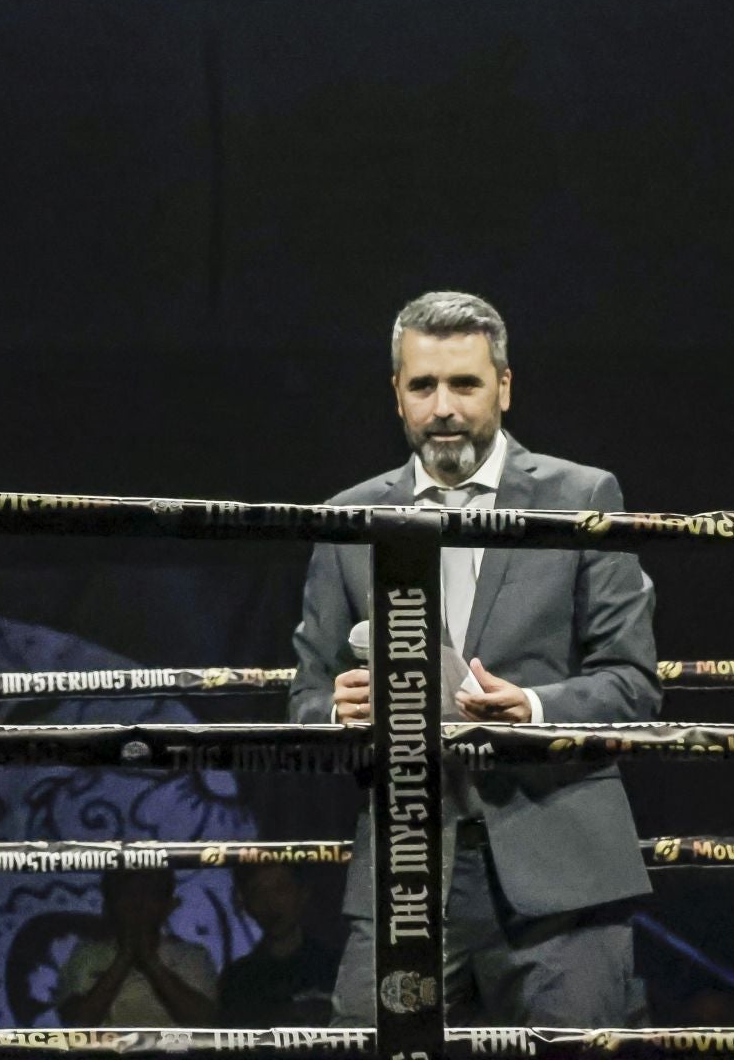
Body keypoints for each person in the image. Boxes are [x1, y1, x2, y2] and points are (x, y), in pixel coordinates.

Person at [289, 290, 659, 1026]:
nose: (444, 407)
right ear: (397, 394)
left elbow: (633, 684)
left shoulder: (582, 496)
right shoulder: (349, 518)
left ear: (505, 387)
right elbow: (305, 699)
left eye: (465, 383)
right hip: (406, 871)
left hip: (560, 870)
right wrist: (341, 709)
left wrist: (533, 708)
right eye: (424, 386)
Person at [55, 869, 218, 1026]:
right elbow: (78, 1023)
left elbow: (204, 1022)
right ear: (108, 907)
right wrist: (123, 958)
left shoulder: (192, 956)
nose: (137, 903)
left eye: (150, 893)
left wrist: (151, 963)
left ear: (168, 906)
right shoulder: (85, 955)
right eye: (126, 893)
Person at [216, 865, 339, 1027]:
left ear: (303, 894)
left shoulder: (336, 966)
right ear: (245, 904)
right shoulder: (236, 980)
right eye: (258, 892)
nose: (270, 904)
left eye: (281, 889)